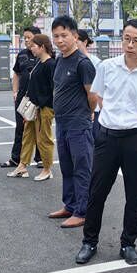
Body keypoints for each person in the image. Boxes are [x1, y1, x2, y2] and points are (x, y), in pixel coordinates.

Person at [75, 19, 137, 266]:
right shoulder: (107, 67)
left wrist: (133, 124)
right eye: (126, 38)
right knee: (97, 191)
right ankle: (89, 242)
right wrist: (113, 117)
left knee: (134, 194)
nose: (130, 44)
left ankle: (128, 243)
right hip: (106, 137)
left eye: (136, 40)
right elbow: (98, 96)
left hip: (134, 140)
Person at [48, 15, 97, 228]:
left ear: (75, 36)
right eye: (56, 36)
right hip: (62, 123)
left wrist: (87, 113)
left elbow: (92, 95)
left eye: (64, 35)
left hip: (79, 124)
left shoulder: (83, 63)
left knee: (82, 168)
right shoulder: (60, 60)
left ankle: (82, 211)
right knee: (67, 167)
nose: (59, 40)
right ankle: (70, 205)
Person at [12, 34, 56, 181]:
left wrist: (41, 104)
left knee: (44, 138)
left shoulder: (50, 64)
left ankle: (47, 169)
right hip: (33, 106)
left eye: (34, 46)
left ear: (42, 47)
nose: (31, 49)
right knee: (27, 136)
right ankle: (22, 166)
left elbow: (53, 89)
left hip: (44, 107)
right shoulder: (39, 63)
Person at [0, 26, 41, 170]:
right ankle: (15, 158)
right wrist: (15, 92)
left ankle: (40, 159)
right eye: (25, 38)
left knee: (40, 129)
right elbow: (16, 74)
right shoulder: (22, 54)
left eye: (29, 37)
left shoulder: (46, 55)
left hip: (39, 98)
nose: (26, 40)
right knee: (20, 128)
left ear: (37, 38)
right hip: (23, 98)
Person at [77, 29, 103, 138]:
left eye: (77, 40)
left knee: (93, 141)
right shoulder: (70, 60)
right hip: (77, 110)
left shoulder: (96, 62)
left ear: (85, 42)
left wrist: (93, 109)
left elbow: (100, 87)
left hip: (93, 109)